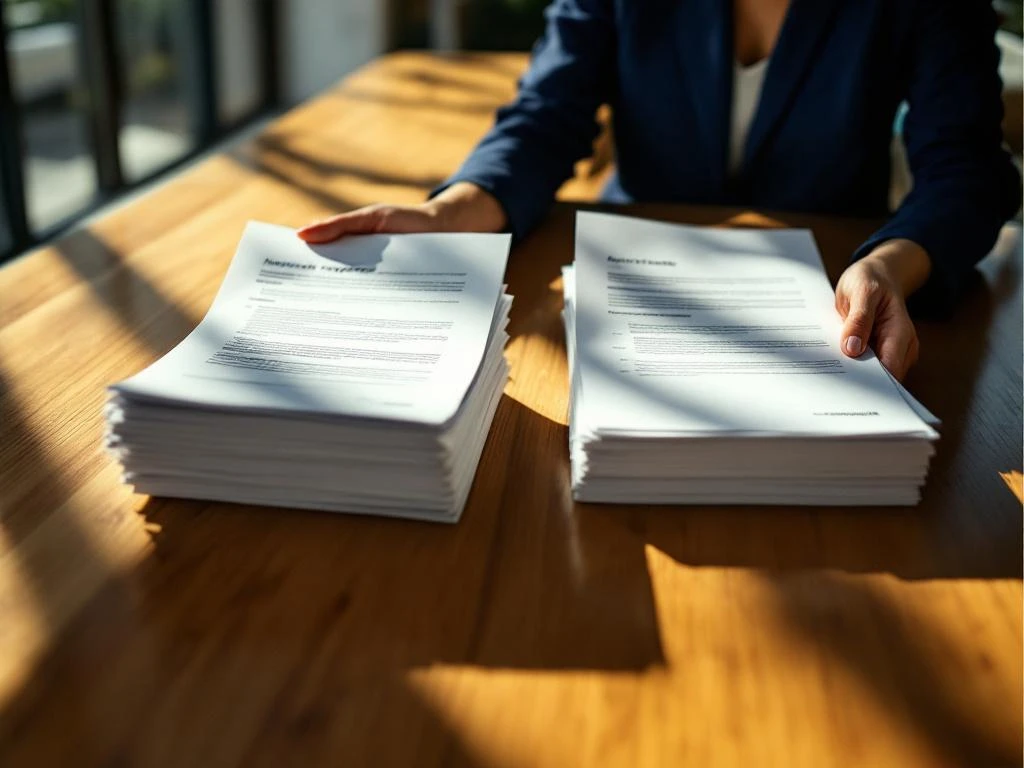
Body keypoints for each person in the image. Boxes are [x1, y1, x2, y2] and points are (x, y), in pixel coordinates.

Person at [297, 0, 1022, 381]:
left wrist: (892, 262)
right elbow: (549, 113)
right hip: (632, 282)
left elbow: (967, 169)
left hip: (837, 287)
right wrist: (452, 210)